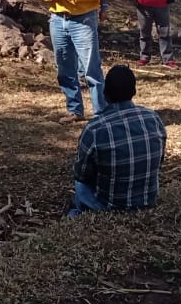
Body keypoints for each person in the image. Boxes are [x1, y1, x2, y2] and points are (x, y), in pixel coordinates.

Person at [36, 0, 109, 124]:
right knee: (65, 67)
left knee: (90, 68)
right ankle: (74, 110)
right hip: (58, 19)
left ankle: (100, 114)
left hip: (83, 20)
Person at [68, 65, 166, 216]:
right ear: (134, 92)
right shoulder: (153, 118)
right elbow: (159, 161)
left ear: (105, 94)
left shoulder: (94, 129)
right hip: (147, 200)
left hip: (108, 205)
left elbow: (81, 174)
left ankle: (78, 212)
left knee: (80, 183)